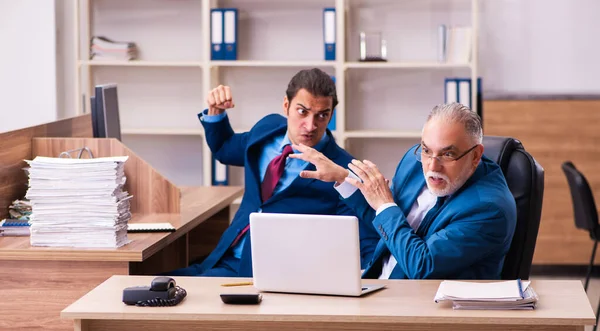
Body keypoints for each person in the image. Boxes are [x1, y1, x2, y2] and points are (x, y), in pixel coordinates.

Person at [169, 68, 378, 277]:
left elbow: (363, 241)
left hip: (268, 274)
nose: (310, 125)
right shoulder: (267, 128)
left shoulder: (343, 171)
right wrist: (216, 111)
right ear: (286, 106)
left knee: (170, 298)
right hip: (223, 255)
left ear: (331, 115)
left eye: (322, 115)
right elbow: (225, 149)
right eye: (302, 111)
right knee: (154, 283)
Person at [289, 102, 517, 279]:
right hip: (378, 285)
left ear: (476, 155)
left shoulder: (488, 208)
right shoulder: (414, 160)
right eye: (427, 150)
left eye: (448, 154)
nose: (432, 166)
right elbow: (388, 224)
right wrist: (343, 177)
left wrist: (385, 204)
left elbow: (422, 266)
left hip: (428, 314)